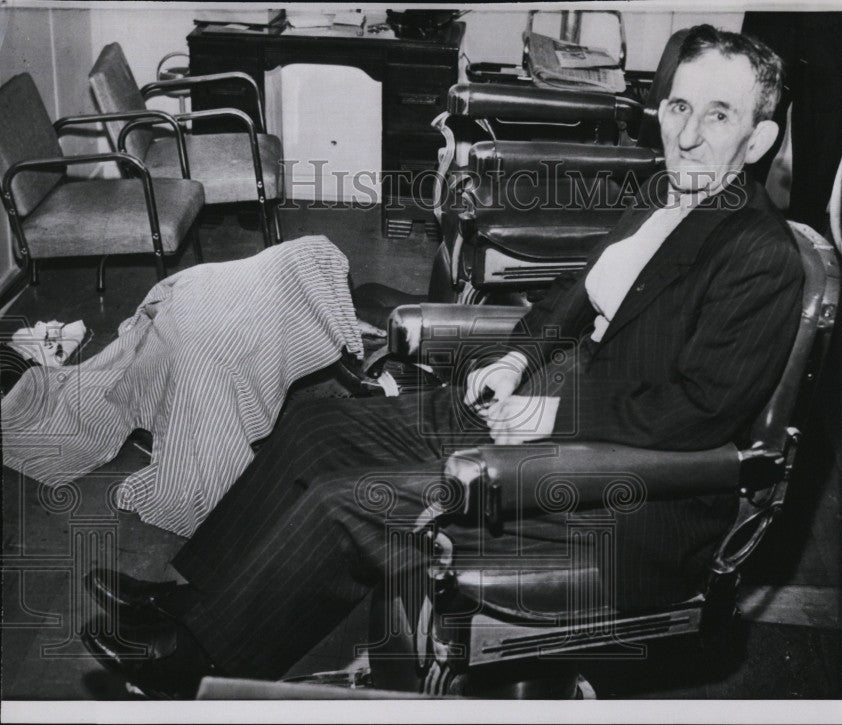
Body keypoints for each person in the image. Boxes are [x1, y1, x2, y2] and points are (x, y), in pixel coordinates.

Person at [82, 25, 804, 698]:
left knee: (349, 501)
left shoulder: (759, 254)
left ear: (757, 138)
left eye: (717, 115)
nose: (686, 133)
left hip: (621, 491)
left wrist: (552, 412)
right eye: (679, 105)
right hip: (558, 406)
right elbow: (574, 292)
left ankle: (197, 665)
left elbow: (696, 411)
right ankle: (193, 598)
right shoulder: (662, 192)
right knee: (317, 424)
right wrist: (519, 361)